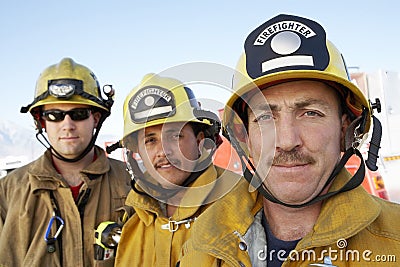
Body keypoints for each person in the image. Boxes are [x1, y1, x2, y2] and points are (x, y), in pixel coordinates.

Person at [177, 14, 400, 266]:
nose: (286, 140)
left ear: (346, 131)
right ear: (245, 137)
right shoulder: (201, 243)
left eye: (310, 113)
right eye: (265, 117)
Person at [0, 58, 131, 267]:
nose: (67, 125)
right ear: (41, 122)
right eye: (55, 115)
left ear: (95, 119)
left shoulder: (131, 183)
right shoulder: (8, 191)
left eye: (79, 114)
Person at [113, 73, 242, 266]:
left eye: (174, 136)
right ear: (136, 151)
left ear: (199, 141)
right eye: (150, 140)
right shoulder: (133, 221)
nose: (163, 152)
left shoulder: (241, 203)